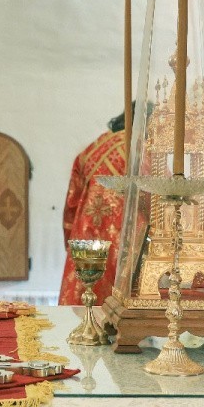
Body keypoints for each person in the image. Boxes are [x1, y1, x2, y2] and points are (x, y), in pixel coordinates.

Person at [58, 112, 126, 305]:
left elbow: (72, 202)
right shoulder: (139, 148)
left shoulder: (93, 147)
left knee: (84, 297)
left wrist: (70, 239)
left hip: (86, 232)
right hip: (123, 233)